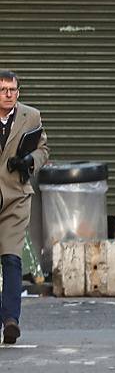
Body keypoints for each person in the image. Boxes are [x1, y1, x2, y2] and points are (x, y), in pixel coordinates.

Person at [0, 70, 49, 345]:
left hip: (16, 195)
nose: (8, 94)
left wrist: (28, 161)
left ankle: (11, 321)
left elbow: (44, 149)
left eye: (13, 90)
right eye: (3, 89)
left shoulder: (31, 116)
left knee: (11, 257)